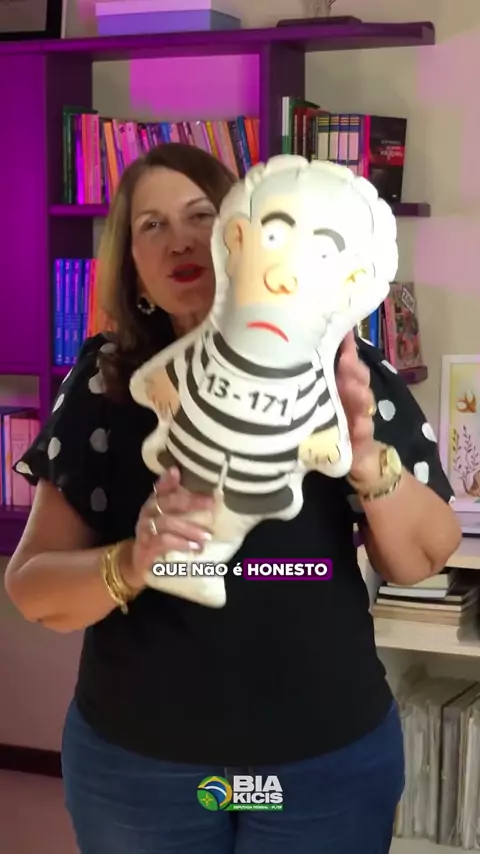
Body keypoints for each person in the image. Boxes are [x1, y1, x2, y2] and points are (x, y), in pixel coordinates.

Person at [5, 143, 461, 854]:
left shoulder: (344, 367)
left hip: (322, 763)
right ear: (133, 266)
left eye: (200, 214)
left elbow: (425, 556)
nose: (179, 240)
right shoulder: (103, 382)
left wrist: (367, 460)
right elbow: (34, 589)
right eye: (151, 225)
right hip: (140, 769)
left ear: (240, 233)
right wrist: (133, 562)